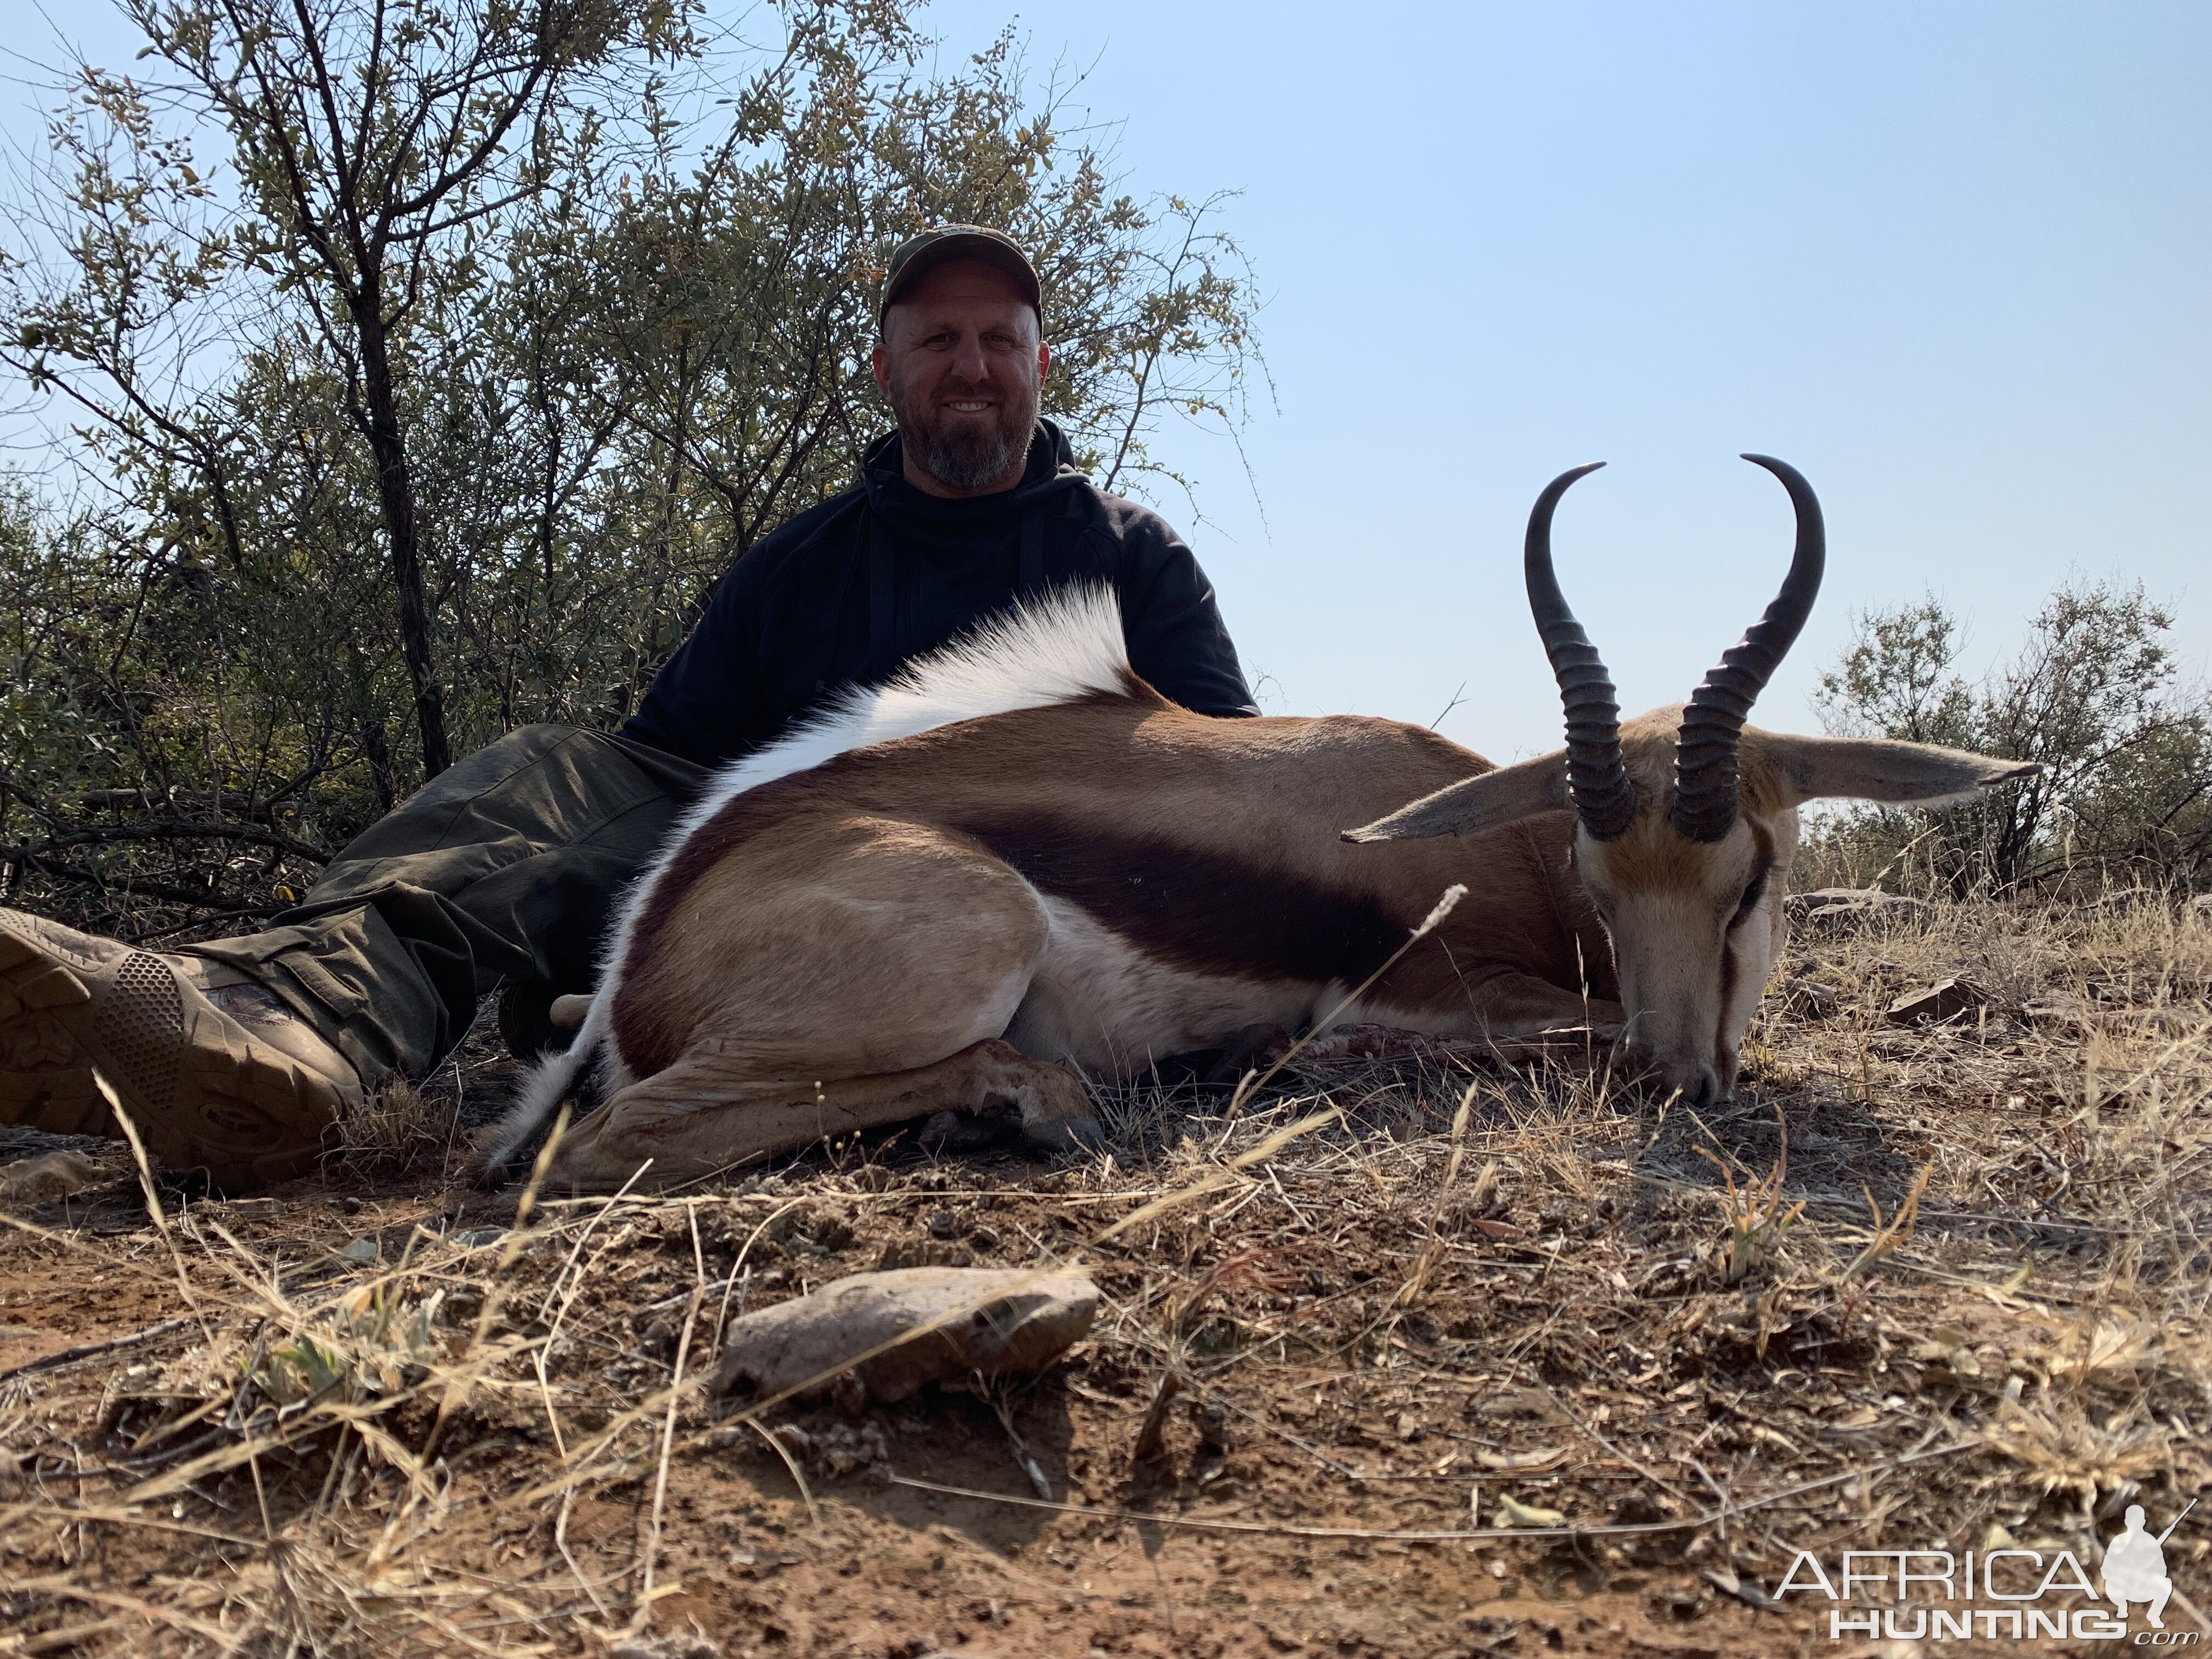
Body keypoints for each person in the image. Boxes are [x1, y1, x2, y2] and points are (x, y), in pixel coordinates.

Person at [0, 225, 1256, 1192]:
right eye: (939, 340)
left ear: (1042, 362)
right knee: (547, 779)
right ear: (885, 369)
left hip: (1019, 917)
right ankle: (282, 1028)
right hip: (796, 895)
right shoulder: (804, 563)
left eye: (998, 339)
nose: (970, 367)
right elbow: (661, 764)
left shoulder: (1134, 560)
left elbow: (1229, 787)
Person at [2103, 1504, 2176, 1629]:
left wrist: (2149, 1565)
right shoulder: (2118, 1539)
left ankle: (2154, 1615)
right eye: (2132, 1519)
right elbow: (2107, 1567)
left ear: (2143, 1521)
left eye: (2138, 1519)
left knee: (2166, 1583)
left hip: (2140, 1584)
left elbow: (2162, 1570)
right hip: (2121, 1584)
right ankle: (2122, 1608)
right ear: (2126, 1521)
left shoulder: (2150, 1541)